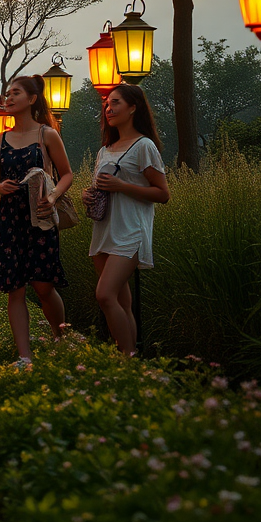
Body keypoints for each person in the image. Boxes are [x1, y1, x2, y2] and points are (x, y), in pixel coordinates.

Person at [0, 75, 73, 368]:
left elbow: (67, 174)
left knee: (44, 286)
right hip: (10, 219)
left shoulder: (47, 134)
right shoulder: (0, 140)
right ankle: (25, 357)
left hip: (40, 218)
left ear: (32, 99)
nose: (8, 98)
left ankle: (61, 341)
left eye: (16, 93)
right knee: (15, 289)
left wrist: (53, 195)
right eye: (8, 93)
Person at [85, 84, 170, 356]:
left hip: (131, 232)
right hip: (104, 230)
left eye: (116, 102)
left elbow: (162, 193)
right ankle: (133, 363)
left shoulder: (143, 146)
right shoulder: (105, 150)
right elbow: (103, 189)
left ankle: (125, 360)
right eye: (108, 104)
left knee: (105, 295)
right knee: (121, 301)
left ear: (133, 107)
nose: (109, 108)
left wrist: (121, 186)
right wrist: (90, 195)